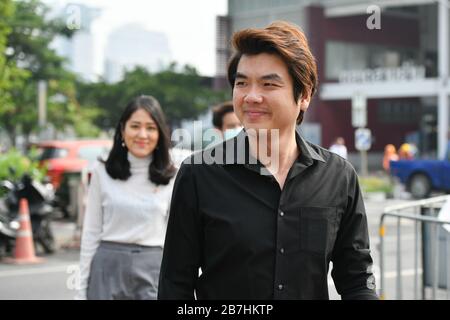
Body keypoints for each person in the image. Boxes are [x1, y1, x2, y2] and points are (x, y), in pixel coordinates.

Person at [158, 21, 378, 300]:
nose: (251, 96)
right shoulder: (199, 174)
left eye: (268, 84)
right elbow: (174, 284)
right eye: (242, 83)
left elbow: (357, 279)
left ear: (305, 95)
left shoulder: (338, 176)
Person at [76, 95, 177, 300]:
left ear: (160, 133)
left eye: (150, 127)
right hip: (107, 269)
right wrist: (80, 291)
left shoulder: (173, 176)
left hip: (154, 270)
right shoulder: (101, 172)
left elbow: (178, 238)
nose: (142, 134)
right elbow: (91, 234)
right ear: (122, 130)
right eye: (135, 126)